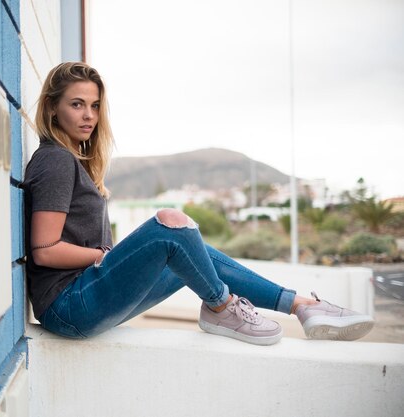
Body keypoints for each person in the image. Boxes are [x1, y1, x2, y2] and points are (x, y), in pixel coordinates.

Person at [22, 62, 374, 345]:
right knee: (170, 223)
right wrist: (105, 256)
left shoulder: (73, 162)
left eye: (95, 105)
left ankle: (302, 306)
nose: (89, 115)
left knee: (190, 251)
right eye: (77, 104)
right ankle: (223, 306)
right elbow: (46, 250)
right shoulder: (55, 160)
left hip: (83, 300)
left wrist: (109, 256)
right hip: (68, 305)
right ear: (53, 108)